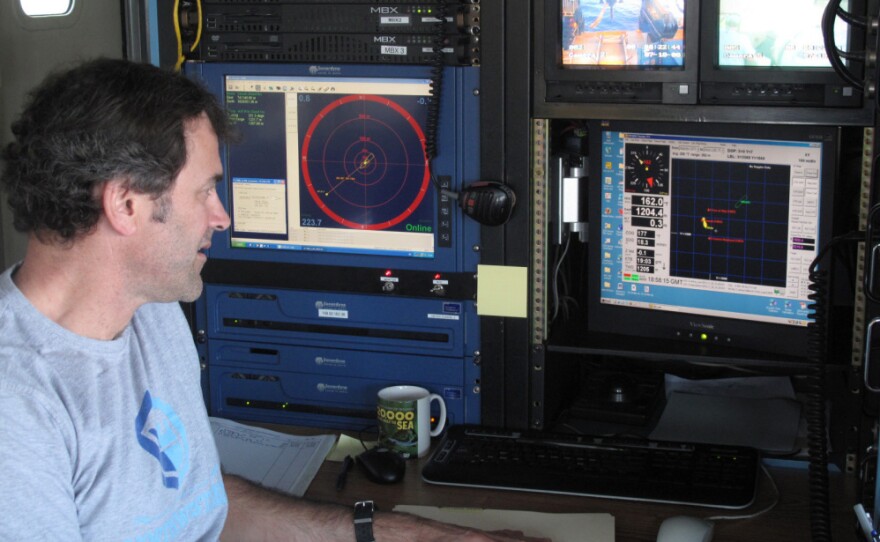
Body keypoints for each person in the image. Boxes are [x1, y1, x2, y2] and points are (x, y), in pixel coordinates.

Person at [0, 58, 543, 541]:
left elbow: (202, 511)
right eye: (205, 190)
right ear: (125, 204)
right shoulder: (17, 411)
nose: (222, 216)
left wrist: (413, 535)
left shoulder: (153, 312)